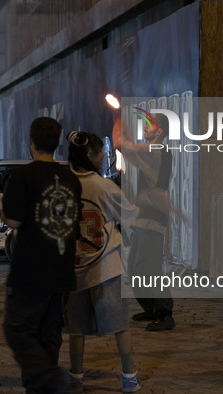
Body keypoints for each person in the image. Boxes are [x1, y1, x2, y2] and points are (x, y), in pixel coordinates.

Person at [1, 117, 82, 393]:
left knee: (19, 329)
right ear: (57, 144)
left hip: (30, 270)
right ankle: (43, 388)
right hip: (61, 268)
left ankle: (49, 381)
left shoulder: (23, 176)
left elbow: (13, 222)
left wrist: (3, 212)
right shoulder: (71, 178)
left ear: (31, 142)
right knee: (49, 335)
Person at [65, 131, 141, 392]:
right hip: (106, 266)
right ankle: (129, 376)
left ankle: (76, 375)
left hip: (74, 268)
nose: (103, 156)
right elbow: (130, 215)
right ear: (90, 155)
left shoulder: (62, 184)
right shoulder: (105, 187)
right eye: (100, 152)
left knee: (76, 328)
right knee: (120, 324)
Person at [113, 114, 175, 331]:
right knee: (135, 268)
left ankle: (165, 313)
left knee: (150, 269)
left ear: (159, 132)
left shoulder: (158, 151)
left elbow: (126, 147)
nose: (145, 128)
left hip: (153, 219)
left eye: (149, 125)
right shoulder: (152, 151)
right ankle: (150, 308)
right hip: (143, 219)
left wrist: (118, 119)